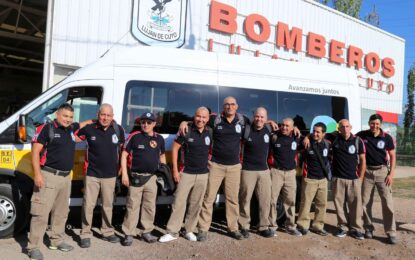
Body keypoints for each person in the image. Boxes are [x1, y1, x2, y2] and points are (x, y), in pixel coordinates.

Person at [179, 96, 250, 241]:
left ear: (236, 106)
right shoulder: (215, 119)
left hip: (235, 166)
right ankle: (203, 229)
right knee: (208, 198)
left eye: (232, 105)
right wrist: (183, 122)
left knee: (232, 199)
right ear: (223, 107)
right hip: (216, 165)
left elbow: (259, 123)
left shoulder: (243, 120)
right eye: (226, 105)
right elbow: (199, 120)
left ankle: (233, 228)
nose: (229, 107)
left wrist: (271, 121)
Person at [27, 103, 90, 260]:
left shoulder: (70, 129)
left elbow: (83, 124)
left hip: (65, 178)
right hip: (48, 176)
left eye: (70, 117)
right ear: (57, 115)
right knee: (40, 213)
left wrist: (99, 119)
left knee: (61, 213)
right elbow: (35, 153)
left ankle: (56, 240)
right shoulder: (46, 129)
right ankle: (33, 247)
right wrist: (37, 175)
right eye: (65, 116)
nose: (68, 119)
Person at [159, 107, 212, 243]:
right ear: (194, 116)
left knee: (196, 203)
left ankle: (188, 230)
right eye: (198, 116)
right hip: (186, 173)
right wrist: (175, 171)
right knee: (179, 202)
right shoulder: (186, 129)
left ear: (208, 119)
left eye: (204, 117)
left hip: (203, 174)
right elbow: (175, 149)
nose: (201, 119)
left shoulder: (209, 132)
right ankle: (172, 231)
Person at [75, 104, 125, 248]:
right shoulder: (89, 129)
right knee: (88, 205)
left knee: (108, 205)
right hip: (92, 174)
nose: (105, 118)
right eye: (103, 115)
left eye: (109, 115)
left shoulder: (118, 129)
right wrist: (84, 122)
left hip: (110, 175)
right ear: (98, 114)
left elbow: (123, 149)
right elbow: (73, 136)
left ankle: (107, 231)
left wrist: (121, 167)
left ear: (112, 116)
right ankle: (85, 233)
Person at [120, 112, 166, 246]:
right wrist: (124, 174)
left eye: (149, 122)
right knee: (132, 206)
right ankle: (129, 233)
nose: (145, 125)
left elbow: (162, 156)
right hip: (135, 177)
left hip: (152, 178)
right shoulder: (134, 137)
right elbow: (124, 155)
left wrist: (163, 173)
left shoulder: (159, 139)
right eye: (143, 122)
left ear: (154, 124)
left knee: (149, 206)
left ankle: (146, 231)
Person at [356, 114, 397, 244]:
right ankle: (368, 228)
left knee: (387, 203)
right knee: (365, 203)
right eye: (372, 123)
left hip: (382, 172)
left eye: (377, 124)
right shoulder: (362, 135)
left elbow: (392, 156)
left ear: (381, 124)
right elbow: (345, 134)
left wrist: (391, 174)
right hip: (367, 172)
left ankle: (391, 232)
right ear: (369, 123)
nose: (374, 126)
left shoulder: (387, 138)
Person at [238, 107, 275, 238]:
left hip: (264, 171)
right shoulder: (246, 130)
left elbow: (288, 129)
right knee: (245, 199)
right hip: (247, 170)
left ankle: (263, 227)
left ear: (266, 119)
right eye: (257, 116)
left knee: (265, 200)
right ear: (254, 117)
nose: (259, 119)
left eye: (262, 117)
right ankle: (244, 226)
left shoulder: (269, 130)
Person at [329, 119, 366, 240]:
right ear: (338, 128)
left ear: (351, 127)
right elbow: (317, 133)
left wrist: (360, 178)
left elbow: (363, 160)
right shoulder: (334, 138)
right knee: (339, 205)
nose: (345, 129)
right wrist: (308, 137)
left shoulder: (357, 141)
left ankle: (357, 229)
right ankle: (343, 227)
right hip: (338, 179)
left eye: (347, 126)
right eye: (342, 127)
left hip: (353, 179)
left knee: (355, 205)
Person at [268, 118, 303, 236]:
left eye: (287, 126)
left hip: (290, 173)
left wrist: (307, 137)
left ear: (292, 128)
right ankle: (272, 226)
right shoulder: (274, 137)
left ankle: (290, 226)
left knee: (290, 200)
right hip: (276, 172)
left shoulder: (297, 137)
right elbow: (259, 124)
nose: (284, 127)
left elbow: (312, 138)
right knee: (272, 200)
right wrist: (269, 121)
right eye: (282, 125)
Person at [296, 122, 330, 236]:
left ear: (324, 134)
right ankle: (302, 225)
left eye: (318, 132)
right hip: (309, 179)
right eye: (313, 131)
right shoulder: (306, 143)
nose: (315, 134)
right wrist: (306, 137)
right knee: (305, 203)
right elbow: (296, 139)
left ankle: (318, 226)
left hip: (323, 180)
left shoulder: (327, 144)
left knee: (322, 204)